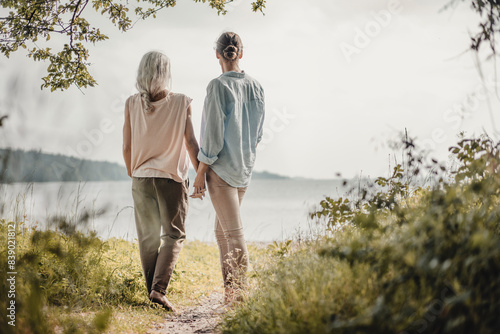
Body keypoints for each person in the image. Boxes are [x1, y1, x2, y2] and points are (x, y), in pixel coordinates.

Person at [123, 51, 202, 312]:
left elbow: (127, 147)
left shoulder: (131, 103)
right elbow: (190, 143)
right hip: (171, 179)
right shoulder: (181, 101)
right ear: (166, 73)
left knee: (147, 238)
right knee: (173, 235)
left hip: (141, 178)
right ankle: (158, 290)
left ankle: (154, 293)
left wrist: (134, 173)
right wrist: (200, 174)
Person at [192, 32, 265, 304]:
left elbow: (211, 136)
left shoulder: (217, 86)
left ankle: (239, 298)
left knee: (233, 235)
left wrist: (200, 172)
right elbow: (258, 134)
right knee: (222, 232)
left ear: (218, 54)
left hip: (221, 171)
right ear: (240, 53)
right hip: (244, 169)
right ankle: (231, 293)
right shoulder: (257, 86)